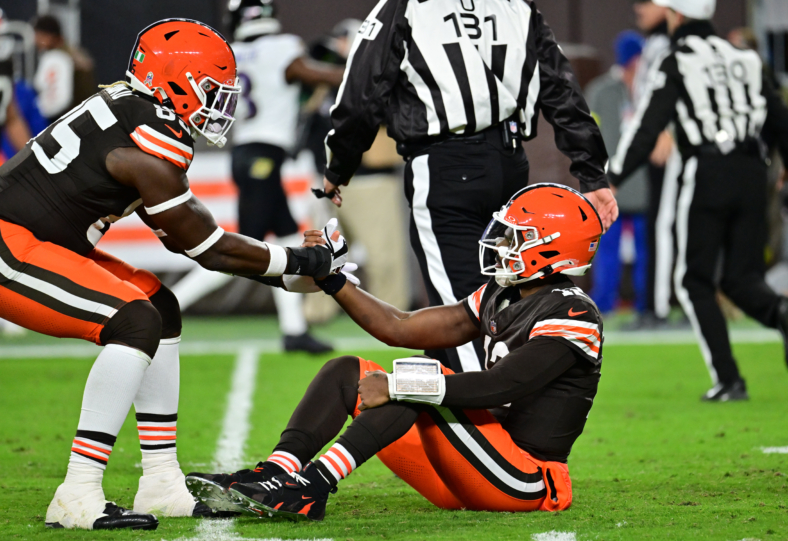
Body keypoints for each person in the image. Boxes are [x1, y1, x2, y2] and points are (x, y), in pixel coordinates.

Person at [0, 19, 344, 530]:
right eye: (211, 91)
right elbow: (207, 246)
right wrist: (298, 263)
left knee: (158, 307)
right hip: (11, 244)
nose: (219, 105)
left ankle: (159, 480)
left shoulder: (134, 113)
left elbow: (191, 242)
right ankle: (77, 491)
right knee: (133, 320)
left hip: (40, 240)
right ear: (174, 81)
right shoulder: (147, 137)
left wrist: (294, 272)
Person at [186, 184, 604, 521]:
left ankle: (311, 486)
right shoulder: (503, 292)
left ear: (554, 248)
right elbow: (398, 326)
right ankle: (276, 473)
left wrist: (403, 383)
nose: (501, 244)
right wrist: (333, 279)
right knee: (346, 371)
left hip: (527, 477)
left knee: (418, 380)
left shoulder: (573, 311)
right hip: (475, 461)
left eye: (516, 237)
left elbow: (500, 385)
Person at [314, 0, 616, 373]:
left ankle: (483, 422)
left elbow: (361, 91)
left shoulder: (406, 7)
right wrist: (592, 174)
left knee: (455, 317)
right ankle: (500, 403)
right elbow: (560, 87)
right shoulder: (516, 6)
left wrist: (338, 165)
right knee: (498, 299)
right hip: (509, 163)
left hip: (443, 164)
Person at [608, 0, 788, 401]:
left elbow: (648, 125)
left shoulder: (677, 60)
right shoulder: (745, 57)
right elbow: (779, 117)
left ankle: (729, 379)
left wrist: (613, 178)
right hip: (753, 174)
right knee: (742, 280)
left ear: (676, 15)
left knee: (693, 280)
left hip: (707, 171)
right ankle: (782, 314)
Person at [170, 0, 344, 354]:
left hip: (248, 154)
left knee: (287, 238)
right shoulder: (282, 48)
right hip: (262, 156)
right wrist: (358, 72)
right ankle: (165, 305)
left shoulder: (233, 53)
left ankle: (294, 330)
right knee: (238, 250)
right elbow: (312, 75)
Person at [587, 32, 650, 316]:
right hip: (609, 187)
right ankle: (602, 302)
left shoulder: (650, 91)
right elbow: (588, 136)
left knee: (646, 250)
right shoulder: (601, 91)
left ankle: (645, 303)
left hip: (644, 186)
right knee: (606, 251)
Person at [32, 14, 95, 124]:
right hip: (84, 118)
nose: (36, 41)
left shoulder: (59, 58)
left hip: (71, 121)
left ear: (50, 36)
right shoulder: (73, 53)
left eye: (39, 36)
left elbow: (58, 100)